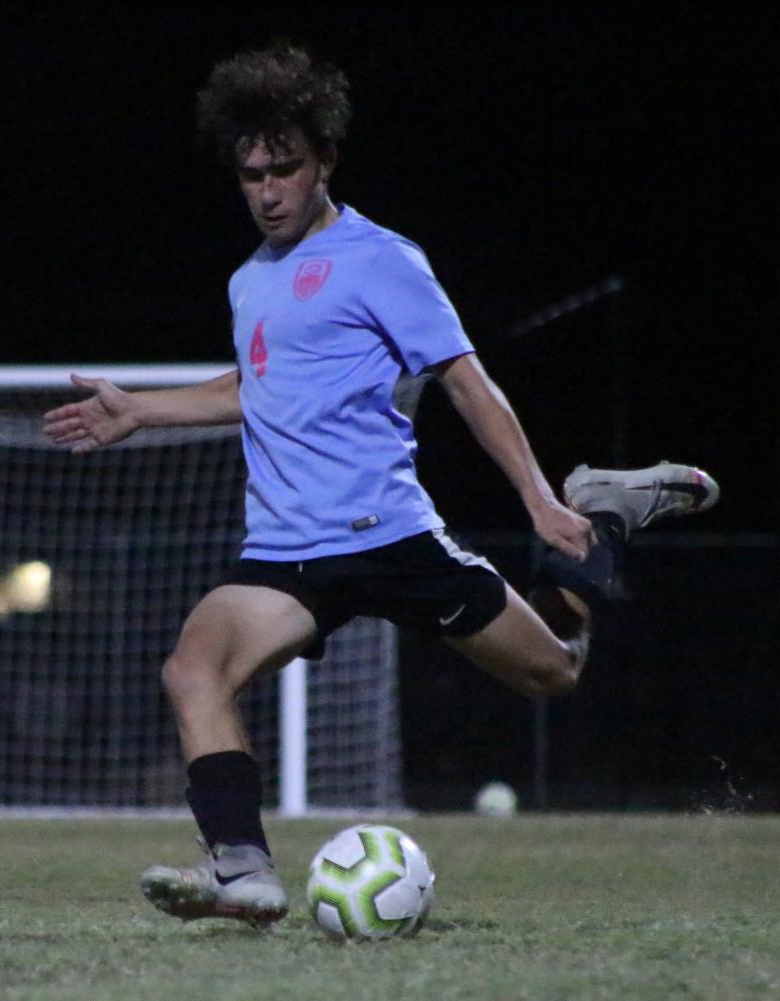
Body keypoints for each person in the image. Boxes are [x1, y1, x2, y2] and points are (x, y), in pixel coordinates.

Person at [41, 44, 718, 929]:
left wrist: (540, 502)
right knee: (192, 667)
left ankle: (603, 509)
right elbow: (256, 386)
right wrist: (139, 410)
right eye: (251, 173)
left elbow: (468, 384)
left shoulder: (382, 259)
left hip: (387, 534)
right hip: (286, 551)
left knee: (556, 671)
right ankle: (241, 868)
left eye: (285, 168)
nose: (268, 189)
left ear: (324, 160)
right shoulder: (249, 280)